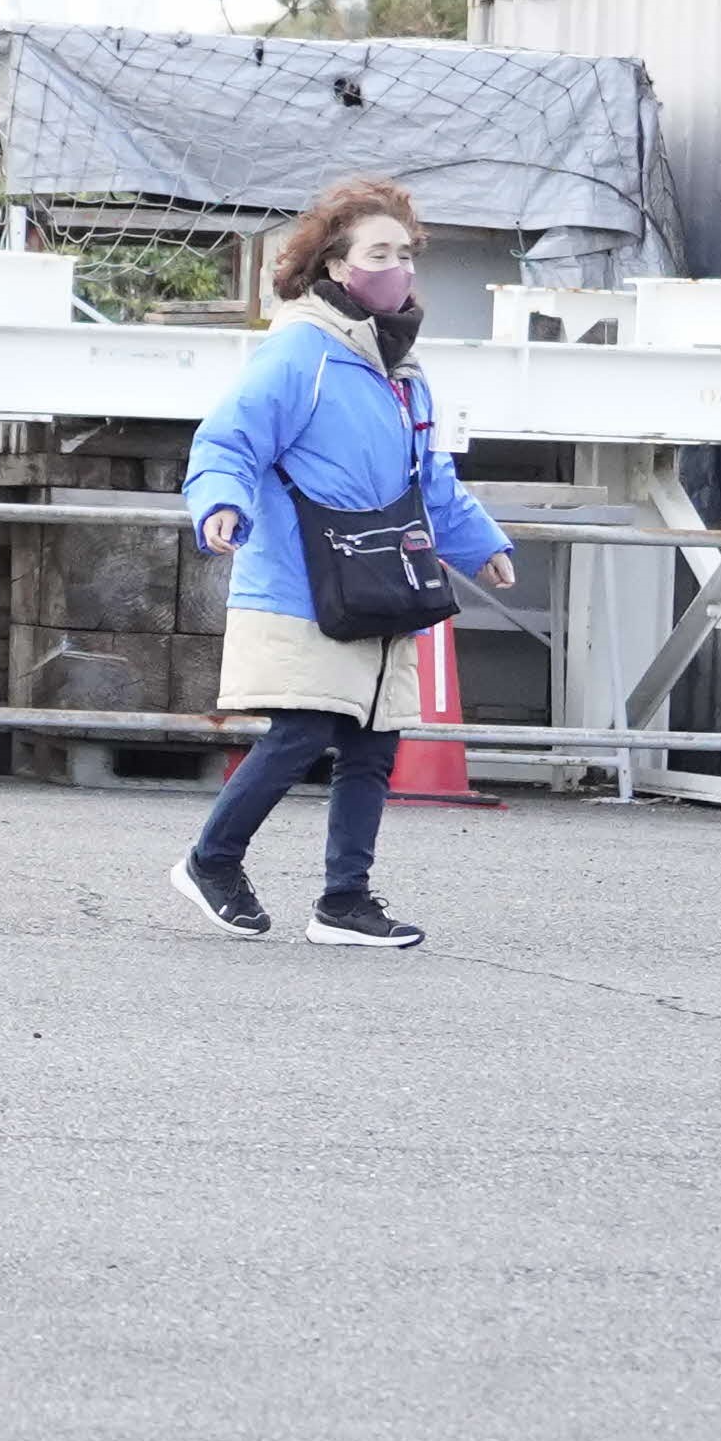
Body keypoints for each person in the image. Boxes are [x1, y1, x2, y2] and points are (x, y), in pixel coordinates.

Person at [167, 175, 517, 947]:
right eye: (378, 254)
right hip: (302, 580)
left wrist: (482, 544)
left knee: (372, 743)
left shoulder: (404, 372)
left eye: (405, 254)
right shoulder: (302, 350)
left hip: (384, 582)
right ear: (335, 266)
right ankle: (211, 861)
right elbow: (229, 439)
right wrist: (220, 503)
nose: (398, 269)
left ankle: (344, 902)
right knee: (302, 729)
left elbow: (432, 482)